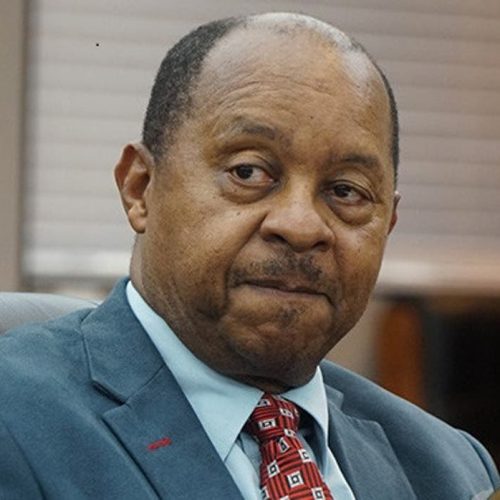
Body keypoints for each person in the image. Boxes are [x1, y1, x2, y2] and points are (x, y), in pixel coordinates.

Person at [0, 12, 498, 500]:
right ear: (140, 188)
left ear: (387, 223)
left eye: (346, 191)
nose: (301, 227)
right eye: (248, 172)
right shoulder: (15, 419)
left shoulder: (452, 470)